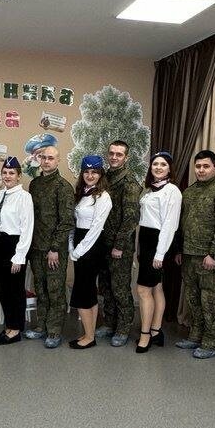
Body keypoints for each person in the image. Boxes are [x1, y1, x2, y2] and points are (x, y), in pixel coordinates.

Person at [174, 149, 215, 358]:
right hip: (189, 255)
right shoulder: (188, 192)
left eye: (206, 166)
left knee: (210, 302)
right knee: (193, 299)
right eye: (198, 166)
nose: (201, 170)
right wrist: (180, 250)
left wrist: (214, 254)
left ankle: (211, 341)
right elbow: (182, 224)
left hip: (209, 258)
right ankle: (195, 335)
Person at [26, 145, 75, 349]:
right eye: (43, 158)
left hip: (54, 250)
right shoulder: (35, 184)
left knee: (55, 291)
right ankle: (42, 326)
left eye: (51, 158)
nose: (46, 161)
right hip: (36, 247)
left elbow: (66, 221)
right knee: (41, 289)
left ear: (58, 160)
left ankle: (54, 331)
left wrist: (55, 248)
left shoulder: (63, 187)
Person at [135, 151, 182, 353]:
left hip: (159, 242)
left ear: (170, 169)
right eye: (155, 164)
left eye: (163, 164)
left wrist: (160, 253)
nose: (158, 167)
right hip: (145, 240)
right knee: (156, 287)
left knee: (143, 290)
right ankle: (156, 331)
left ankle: (145, 335)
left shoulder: (172, 191)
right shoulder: (149, 190)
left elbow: (170, 225)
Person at [98, 140, 141, 347]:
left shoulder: (129, 182)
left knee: (120, 288)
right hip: (102, 243)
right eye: (112, 153)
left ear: (126, 157)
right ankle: (109, 323)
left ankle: (123, 328)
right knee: (105, 286)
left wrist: (119, 245)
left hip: (119, 246)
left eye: (119, 154)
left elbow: (131, 218)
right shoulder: (104, 178)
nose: (114, 157)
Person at [68, 155, 112, 349]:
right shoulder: (82, 194)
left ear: (100, 174)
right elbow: (74, 223)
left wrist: (78, 251)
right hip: (80, 243)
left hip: (91, 247)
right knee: (89, 291)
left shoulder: (103, 196)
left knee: (83, 291)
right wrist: (71, 245)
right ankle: (89, 334)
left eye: (94, 172)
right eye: (86, 171)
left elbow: (96, 228)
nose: (90, 175)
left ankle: (89, 338)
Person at [0, 157, 34, 344]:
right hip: (0, 244)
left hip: (14, 246)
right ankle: (9, 326)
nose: (7, 176)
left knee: (15, 289)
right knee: (2, 288)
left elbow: (27, 228)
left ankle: (15, 329)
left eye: (11, 173)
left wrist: (19, 256)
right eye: (5, 173)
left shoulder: (24, 197)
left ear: (19, 176)